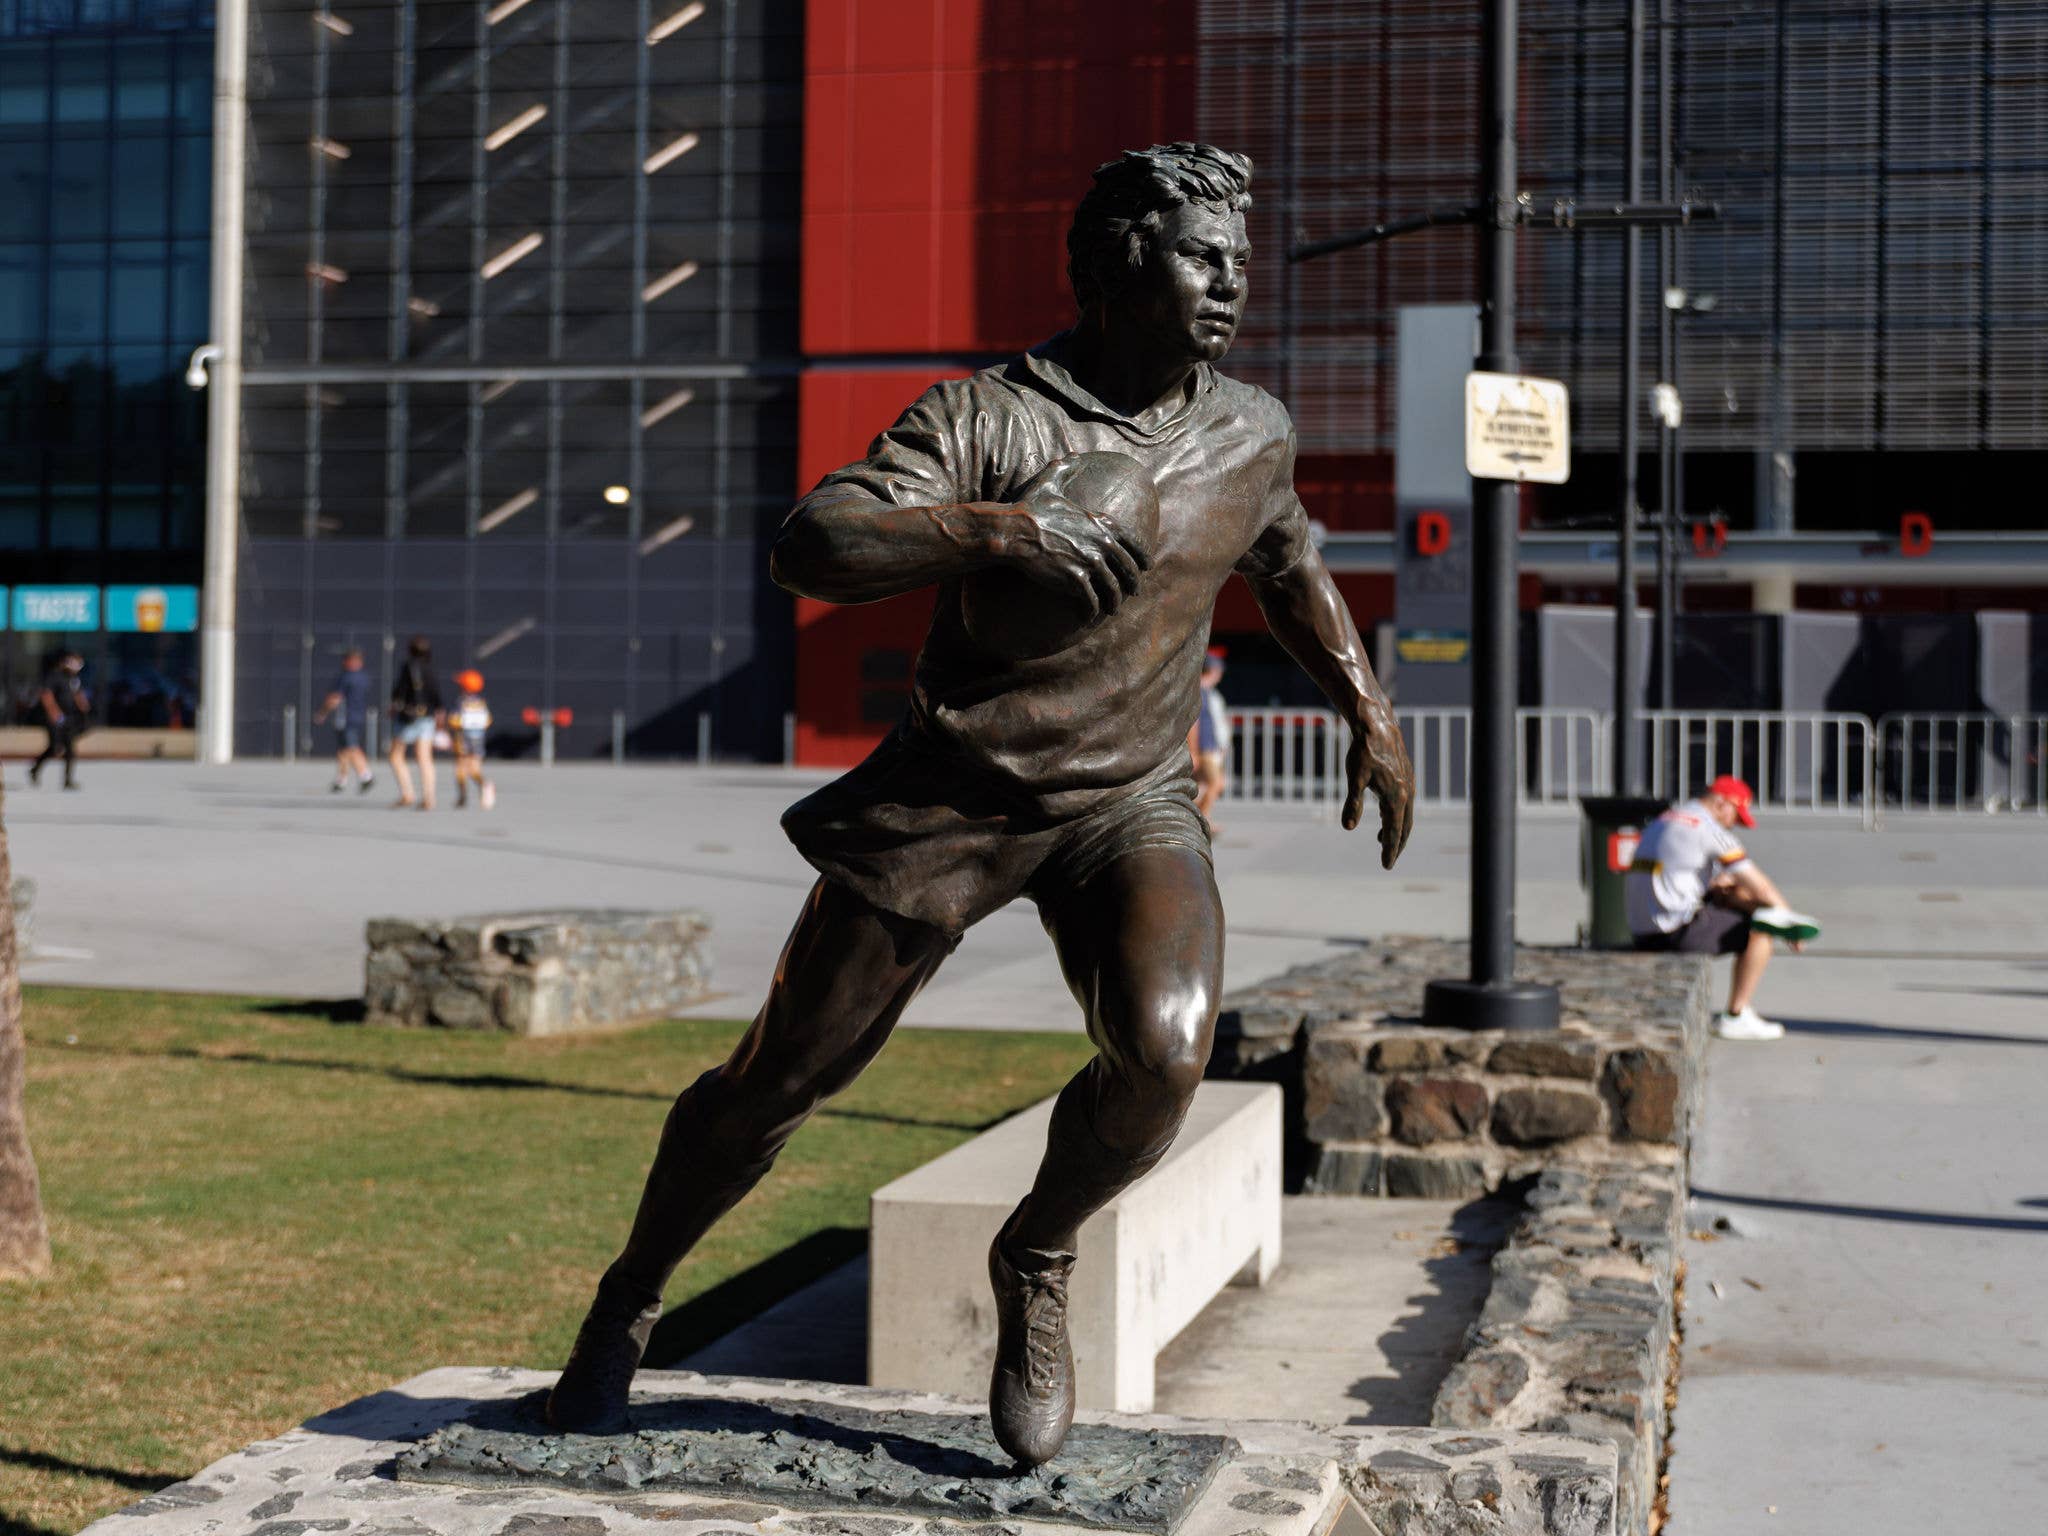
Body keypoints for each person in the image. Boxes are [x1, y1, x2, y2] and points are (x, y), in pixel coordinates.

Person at [545, 143, 1416, 1466]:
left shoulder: (1251, 428)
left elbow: (1289, 561)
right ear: (1128, 265)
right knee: (781, 1079)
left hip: (1130, 800)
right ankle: (629, 1299)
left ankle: (1039, 1253)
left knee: (1170, 1048)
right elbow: (814, 542)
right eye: (1201, 256)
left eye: (1241, 260)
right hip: (954, 798)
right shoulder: (991, 416)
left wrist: (1368, 708)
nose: (1232, 283)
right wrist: (990, 532)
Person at [1627, 775, 1819, 1041]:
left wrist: (1738, 898)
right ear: (1721, 804)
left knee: (1735, 895)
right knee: (1761, 927)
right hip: (1674, 932)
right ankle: (1736, 1016)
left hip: (1642, 929)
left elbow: (1714, 887)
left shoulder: (1667, 818)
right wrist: (1789, 925)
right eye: (1735, 816)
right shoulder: (1708, 830)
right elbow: (1760, 886)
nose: (1734, 825)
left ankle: (1739, 1013)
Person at [386, 636, 442, 811]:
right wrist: (440, 714)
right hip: (427, 716)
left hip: (408, 717)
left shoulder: (408, 667)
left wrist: (394, 706)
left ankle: (408, 793)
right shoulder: (429, 668)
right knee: (425, 758)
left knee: (396, 755)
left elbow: (399, 692)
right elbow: (435, 694)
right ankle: (429, 797)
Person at [313, 648, 375, 794]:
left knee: (351, 747)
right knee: (343, 750)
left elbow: (335, 698)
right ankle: (341, 780)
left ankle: (366, 776)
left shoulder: (346, 677)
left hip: (346, 718)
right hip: (357, 716)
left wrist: (322, 712)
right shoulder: (364, 677)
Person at [28, 651, 89, 790]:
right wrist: (53, 712)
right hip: (55, 718)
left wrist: (83, 705)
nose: (76, 665)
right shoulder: (55, 675)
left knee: (70, 749)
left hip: (69, 717)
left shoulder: (74, 678)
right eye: (74, 661)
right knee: (55, 748)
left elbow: (77, 693)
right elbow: (46, 694)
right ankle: (35, 769)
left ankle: (68, 780)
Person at [1188, 647, 1230, 824]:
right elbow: (1194, 724)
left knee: (1202, 786)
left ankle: (1195, 816)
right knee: (1216, 783)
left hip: (1210, 746)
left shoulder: (1209, 693)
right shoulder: (1200, 693)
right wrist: (1194, 751)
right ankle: (1202, 818)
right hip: (1205, 747)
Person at [450, 669, 496, 810]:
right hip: (478, 740)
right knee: (474, 768)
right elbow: (488, 720)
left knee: (461, 768)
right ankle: (485, 785)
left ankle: (462, 795)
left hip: (463, 739)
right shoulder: (481, 703)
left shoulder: (461, 702)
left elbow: (454, 720)